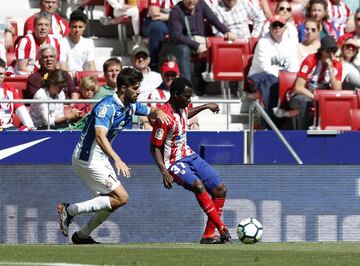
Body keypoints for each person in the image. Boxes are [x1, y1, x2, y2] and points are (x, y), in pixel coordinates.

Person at [57, 67, 171, 244]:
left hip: (99, 157)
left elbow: (151, 111)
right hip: (87, 157)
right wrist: (117, 159)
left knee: (112, 201)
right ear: (123, 88)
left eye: (139, 86)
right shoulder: (107, 107)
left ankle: (82, 236)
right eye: (135, 87)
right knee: (122, 197)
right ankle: (69, 210)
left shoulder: (130, 106)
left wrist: (160, 112)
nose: (138, 91)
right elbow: (100, 136)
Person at [150, 77, 231, 244]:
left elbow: (187, 114)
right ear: (175, 95)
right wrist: (164, 171)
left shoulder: (182, 107)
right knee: (198, 186)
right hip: (173, 162)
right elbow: (154, 147)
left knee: (220, 190)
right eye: (187, 97)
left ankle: (208, 235)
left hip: (189, 154)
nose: (189, 100)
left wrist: (205, 107)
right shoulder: (164, 117)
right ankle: (222, 228)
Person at [168, 0, 235, 96]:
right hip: (181, 43)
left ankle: (213, 87)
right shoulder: (176, 11)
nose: (191, 2)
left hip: (200, 41)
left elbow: (214, 20)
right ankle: (187, 89)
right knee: (184, 51)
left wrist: (226, 31)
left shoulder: (201, 5)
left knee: (214, 48)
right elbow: (177, 36)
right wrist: (197, 45)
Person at [248, 15, 299, 126]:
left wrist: (285, 80)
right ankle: (269, 122)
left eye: (280, 25)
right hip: (257, 76)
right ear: (269, 28)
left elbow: (294, 67)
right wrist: (282, 78)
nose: (277, 28)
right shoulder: (263, 42)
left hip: (279, 79)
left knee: (290, 83)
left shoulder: (290, 44)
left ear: (285, 28)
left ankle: (281, 120)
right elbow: (265, 68)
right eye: (274, 25)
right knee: (270, 81)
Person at [289, 36, 342, 130]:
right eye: (328, 51)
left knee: (336, 103)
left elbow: (337, 90)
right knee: (305, 102)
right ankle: (302, 134)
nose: (331, 54)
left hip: (320, 97)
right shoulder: (311, 60)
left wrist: (330, 70)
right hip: (302, 95)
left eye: (333, 51)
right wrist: (315, 98)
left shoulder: (336, 65)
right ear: (321, 51)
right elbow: (298, 87)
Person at [148, 58, 200, 129]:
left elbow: (190, 114)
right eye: (167, 74)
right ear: (162, 75)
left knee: (196, 127)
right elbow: (153, 119)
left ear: (178, 75)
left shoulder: (184, 92)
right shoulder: (154, 93)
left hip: (182, 129)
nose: (170, 77)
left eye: (173, 74)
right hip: (163, 130)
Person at [142, 0, 179, 70]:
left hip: (173, 23)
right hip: (152, 23)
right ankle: (153, 61)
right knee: (159, 28)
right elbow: (155, 15)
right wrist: (175, 16)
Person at [0, 58, 35, 131]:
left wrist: (31, 127)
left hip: (7, 128)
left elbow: (21, 110)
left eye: (1, 74)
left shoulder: (10, 89)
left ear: (5, 74)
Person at [60, 9, 96, 74]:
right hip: (66, 78)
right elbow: (62, 66)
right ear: (69, 26)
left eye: (80, 27)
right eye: (74, 27)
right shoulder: (62, 42)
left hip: (83, 79)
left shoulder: (89, 43)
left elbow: (91, 66)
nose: (77, 30)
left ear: (84, 27)